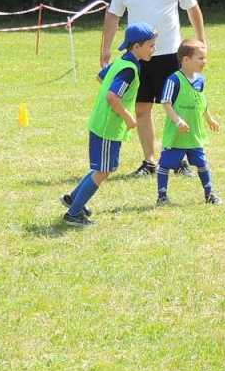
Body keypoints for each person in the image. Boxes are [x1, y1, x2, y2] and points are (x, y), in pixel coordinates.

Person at [100, 0, 207, 180]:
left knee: (178, 107)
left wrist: (201, 40)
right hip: (139, 57)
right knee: (141, 108)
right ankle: (150, 161)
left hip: (170, 53)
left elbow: (192, 7)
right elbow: (113, 14)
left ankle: (178, 160)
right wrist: (106, 47)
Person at [60, 22, 157, 227]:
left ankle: (74, 198)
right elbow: (113, 97)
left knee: (108, 166)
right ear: (136, 47)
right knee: (103, 170)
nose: (153, 49)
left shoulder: (123, 61)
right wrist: (129, 117)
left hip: (104, 123)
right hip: (107, 126)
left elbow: (100, 76)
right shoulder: (129, 70)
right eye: (151, 45)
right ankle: (74, 214)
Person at [156, 39, 222, 205]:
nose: (204, 62)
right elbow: (165, 101)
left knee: (202, 163)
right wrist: (177, 120)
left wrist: (210, 119)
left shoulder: (201, 80)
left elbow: (202, 104)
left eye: (205, 58)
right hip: (177, 133)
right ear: (186, 60)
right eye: (200, 58)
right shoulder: (174, 80)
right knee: (165, 164)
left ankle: (210, 194)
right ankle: (162, 196)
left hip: (194, 133)